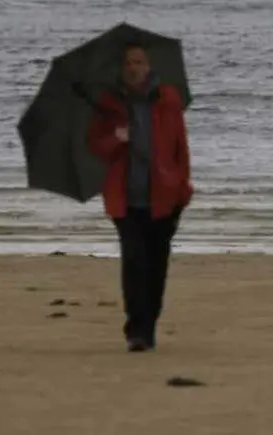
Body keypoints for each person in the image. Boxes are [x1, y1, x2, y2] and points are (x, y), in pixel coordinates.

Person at [87, 42, 193, 352]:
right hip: (126, 199)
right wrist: (116, 139)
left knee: (156, 265)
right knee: (133, 263)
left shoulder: (167, 99)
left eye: (139, 62)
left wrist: (183, 189)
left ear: (148, 66)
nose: (134, 68)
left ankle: (149, 327)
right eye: (128, 63)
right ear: (121, 69)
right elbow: (96, 145)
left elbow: (180, 148)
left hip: (164, 197)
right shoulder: (109, 103)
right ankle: (136, 329)